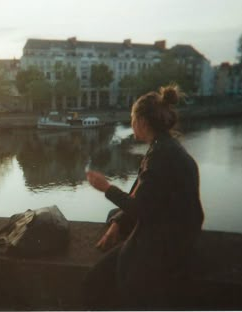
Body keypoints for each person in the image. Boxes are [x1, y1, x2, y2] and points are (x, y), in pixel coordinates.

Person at [84, 85, 204, 309]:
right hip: (180, 230)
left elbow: (141, 208)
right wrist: (118, 224)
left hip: (167, 242)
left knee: (97, 280)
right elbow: (141, 194)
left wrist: (106, 187)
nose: (131, 125)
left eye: (132, 119)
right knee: (114, 215)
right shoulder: (165, 147)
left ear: (141, 122)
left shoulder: (160, 156)